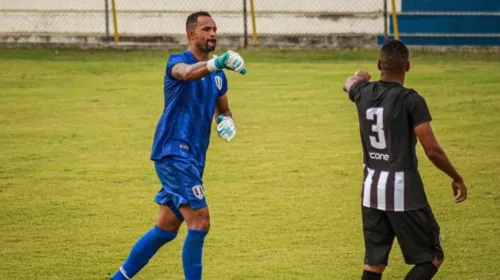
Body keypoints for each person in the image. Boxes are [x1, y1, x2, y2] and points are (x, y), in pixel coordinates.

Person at [110, 11, 246, 280]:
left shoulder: (219, 76)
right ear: (191, 34)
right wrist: (215, 63)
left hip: (194, 157)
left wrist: (225, 122)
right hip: (174, 152)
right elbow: (186, 74)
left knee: (166, 228)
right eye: (206, 29)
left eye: (215, 29)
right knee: (200, 222)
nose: (213, 34)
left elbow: (224, 109)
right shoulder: (177, 62)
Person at [342, 40, 468, 280]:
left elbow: (349, 83)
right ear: (408, 66)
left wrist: (359, 75)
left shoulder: (363, 91)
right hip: (403, 190)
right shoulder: (411, 100)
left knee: (374, 263)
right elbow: (432, 150)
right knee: (432, 256)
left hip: (371, 190)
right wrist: (456, 177)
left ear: (380, 64)